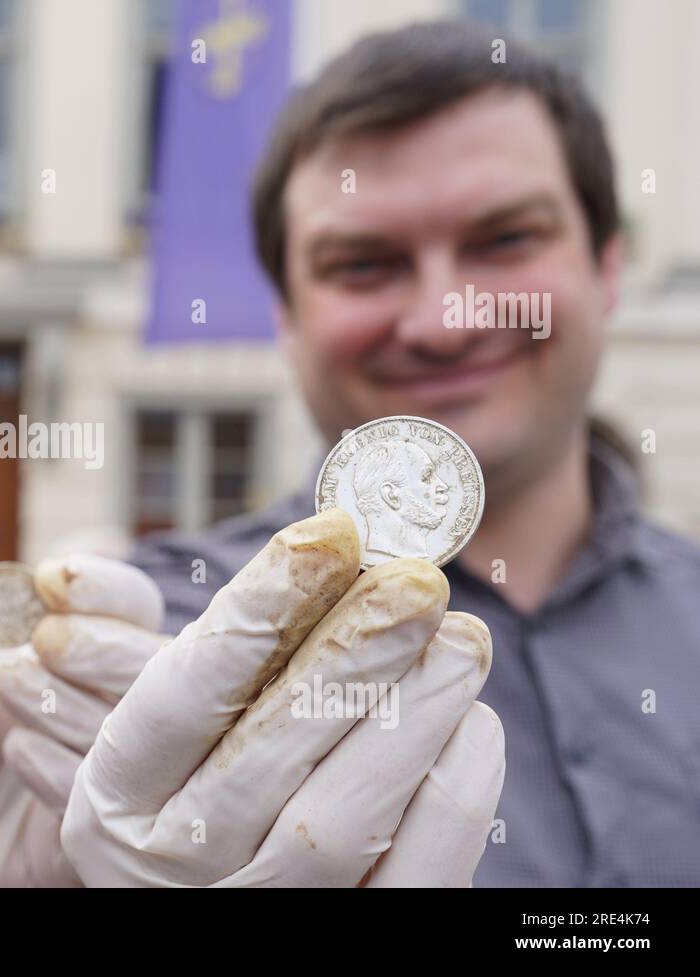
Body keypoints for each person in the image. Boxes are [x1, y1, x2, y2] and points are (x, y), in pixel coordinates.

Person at [129, 21, 700, 886]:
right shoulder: (166, 639)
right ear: (286, 314)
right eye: (364, 263)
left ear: (608, 264)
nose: (446, 320)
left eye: (505, 240)